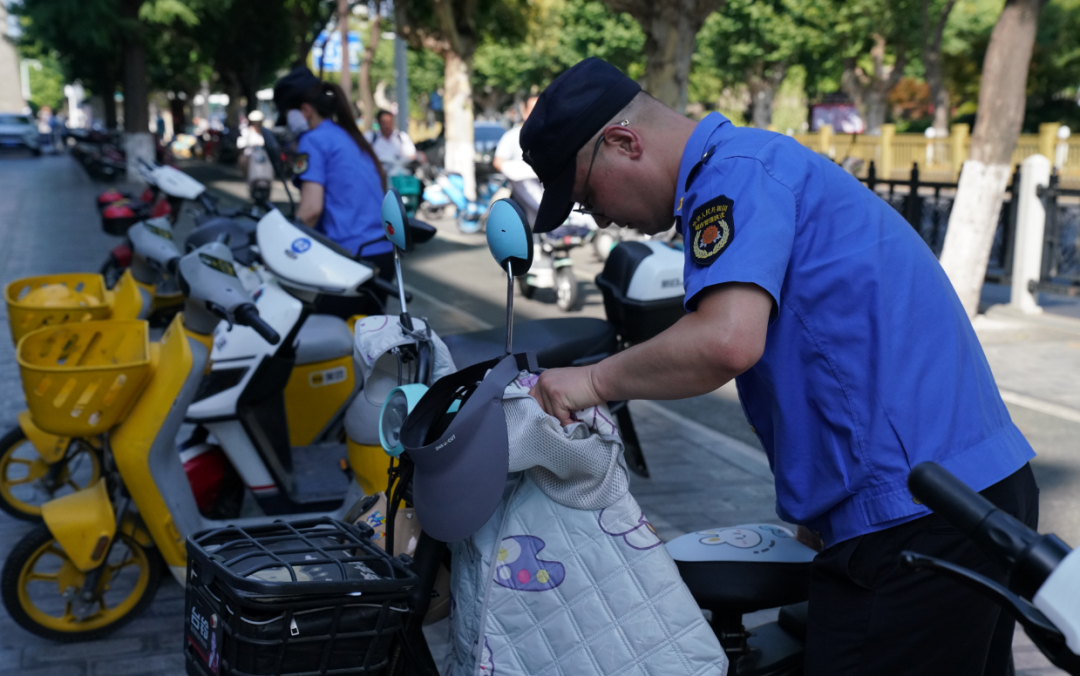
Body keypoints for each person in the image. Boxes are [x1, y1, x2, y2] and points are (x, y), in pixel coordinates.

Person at [521, 57, 1037, 676]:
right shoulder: (757, 163)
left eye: (586, 196)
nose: (600, 218)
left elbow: (725, 341)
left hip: (917, 516)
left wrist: (592, 380)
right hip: (968, 493)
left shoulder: (732, 178)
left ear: (624, 142)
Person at [272, 65, 393, 314]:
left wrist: (279, 249)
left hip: (350, 260)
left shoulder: (313, 140)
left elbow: (311, 211)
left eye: (288, 115)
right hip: (382, 255)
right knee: (365, 335)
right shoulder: (348, 136)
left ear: (306, 110)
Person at [493, 95, 543, 226]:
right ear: (525, 112)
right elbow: (498, 161)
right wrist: (519, 171)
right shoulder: (512, 136)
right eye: (533, 109)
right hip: (522, 191)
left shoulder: (556, 136)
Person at [236, 110, 265, 174]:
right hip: (249, 156)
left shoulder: (264, 132)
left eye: (258, 121)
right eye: (255, 121)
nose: (257, 123)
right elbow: (240, 145)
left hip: (262, 156)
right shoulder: (246, 131)